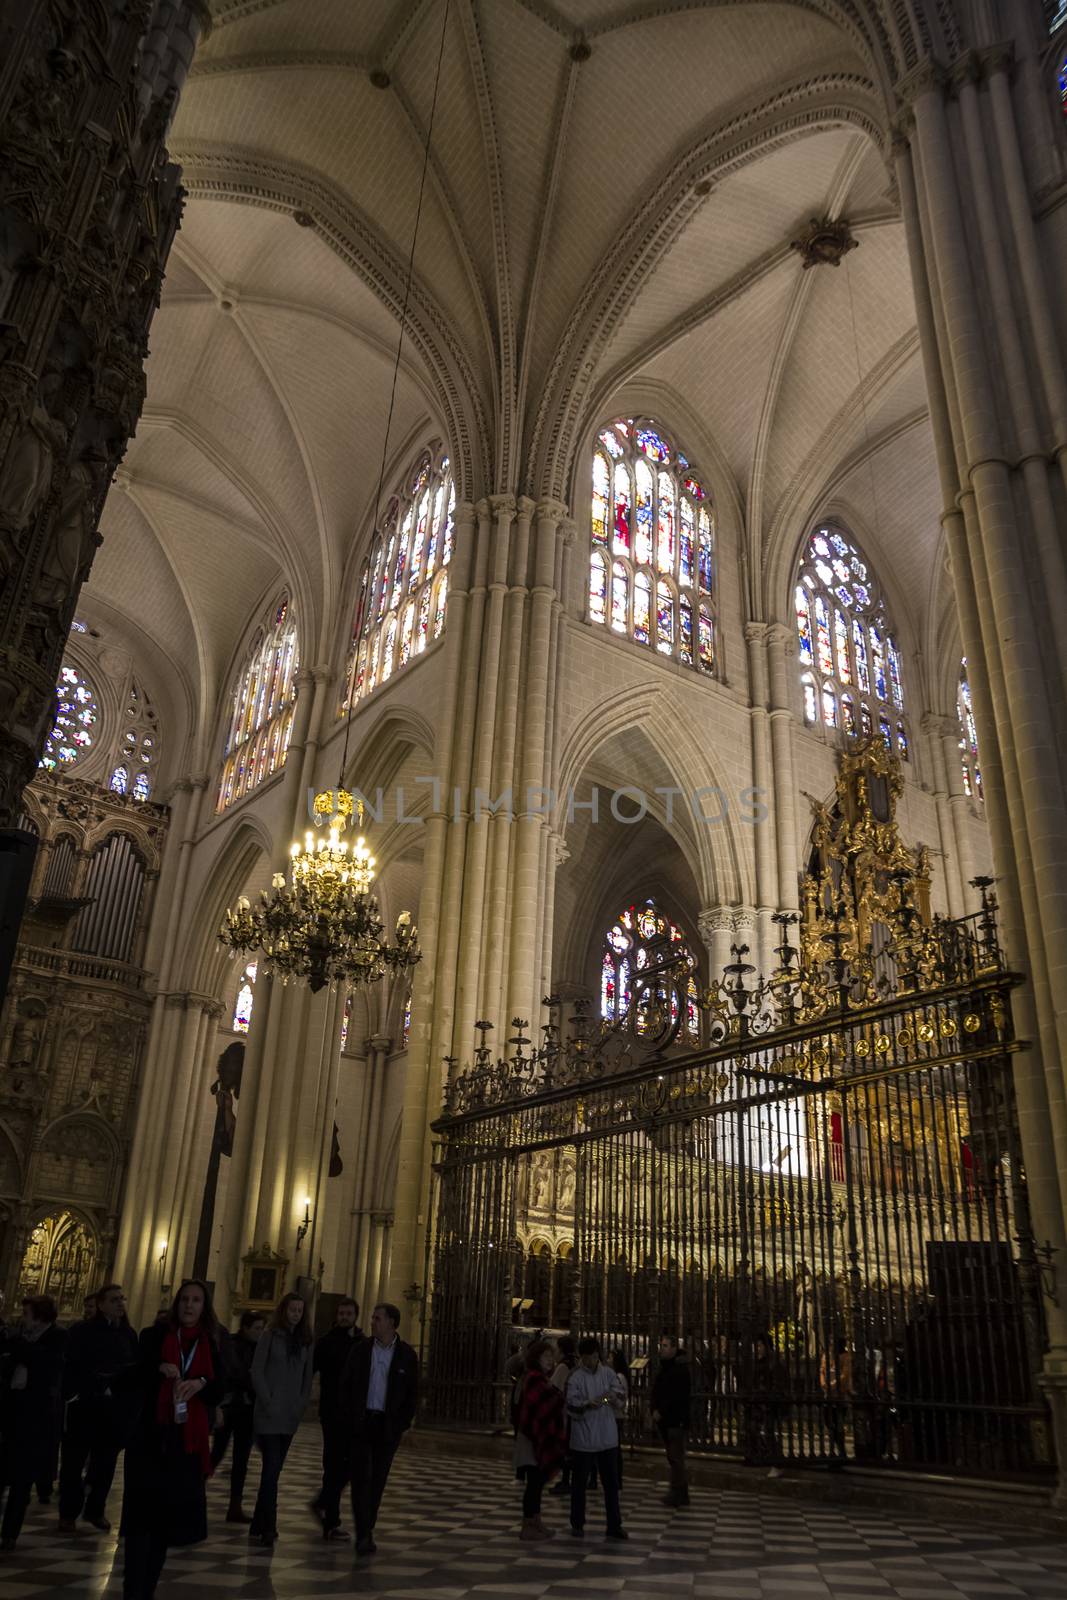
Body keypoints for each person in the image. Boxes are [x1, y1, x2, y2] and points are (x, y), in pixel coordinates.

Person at [119, 1279, 224, 1600]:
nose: (190, 1306)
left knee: (162, 1529)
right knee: (140, 1527)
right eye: (185, 1300)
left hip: (182, 1449)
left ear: (204, 1308)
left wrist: (201, 1384)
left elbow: (220, 1386)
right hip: (149, 1442)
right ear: (177, 1304)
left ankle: (146, 1590)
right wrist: (158, 1368)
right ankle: (132, 1592)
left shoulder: (210, 1344)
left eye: (196, 1301)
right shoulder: (155, 1337)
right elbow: (133, 1375)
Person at [338, 1301, 418, 1557]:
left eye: (378, 1318)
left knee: (378, 1480)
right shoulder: (360, 1350)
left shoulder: (407, 1354)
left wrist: (402, 1423)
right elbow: (347, 1385)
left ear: (392, 1323)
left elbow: (412, 1393)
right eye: (372, 1318)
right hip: (362, 1422)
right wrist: (351, 1417)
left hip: (387, 1425)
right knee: (361, 1479)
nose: (372, 1322)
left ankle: (367, 1528)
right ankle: (363, 1534)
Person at [59, 1283, 139, 1534]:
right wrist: (84, 1389)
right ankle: (68, 1513)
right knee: (74, 1463)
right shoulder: (82, 1331)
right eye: (114, 1299)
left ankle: (95, 1509)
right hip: (85, 1405)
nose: (120, 1303)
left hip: (112, 1409)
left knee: (104, 1465)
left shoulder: (128, 1334)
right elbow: (72, 1365)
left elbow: (132, 1368)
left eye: (122, 1299)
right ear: (101, 1303)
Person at [0, 1295, 66, 1550]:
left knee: (21, 1482)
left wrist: (18, 1346)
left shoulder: (57, 1337)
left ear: (39, 1316)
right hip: (11, 1416)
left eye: (26, 1314)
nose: (22, 1318)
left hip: (36, 1421)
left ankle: (9, 1535)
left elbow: (45, 1363)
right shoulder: (20, 1340)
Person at [249, 1292, 313, 1547]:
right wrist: (267, 1399)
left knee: (273, 1471)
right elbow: (256, 1370)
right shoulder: (269, 1335)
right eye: (292, 1309)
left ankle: (257, 1522)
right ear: (283, 1310)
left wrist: (301, 1403)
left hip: (290, 1415)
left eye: (300, 1310)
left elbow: (307, 1377)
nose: (295, 1314)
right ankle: (269, 1526)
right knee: (271, 1470)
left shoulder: (307, 1340)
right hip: (268, 1413)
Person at [564, 1337, 626, 1540]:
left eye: (590, 1357)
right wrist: (586, 1404)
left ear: (596, 1355)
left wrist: (607, 1398)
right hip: (583, 1439)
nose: (587, 1362)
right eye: (583, 1358)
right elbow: (570, 1404)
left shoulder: (608, 1373)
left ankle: (614, 1525)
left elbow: (620, 1396)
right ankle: (577, 1523)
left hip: (607, 1437)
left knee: (611, 1484)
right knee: (579, 1484)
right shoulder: (575, 1376)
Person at [312, 1296, 362, 1539]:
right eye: (341, 1313)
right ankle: (331, 1522)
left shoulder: (364, 1343)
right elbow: (311, 1370)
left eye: (348, 1313)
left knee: (354, 1463)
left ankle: (323, 1501)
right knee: (332, 1465)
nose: (344, 1317)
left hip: (356, 1414)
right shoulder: (325, 1343)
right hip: (332, 1412)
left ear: (355, 1315)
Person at [210, 1310, 265, 1523]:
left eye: (262, 1329)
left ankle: (235, 1506)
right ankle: (193, 1493)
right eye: (257, 1329)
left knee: (241, 1460)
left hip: (248, 1411)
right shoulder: (231, 1344)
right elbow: (234, 1373)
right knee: (217, 1453)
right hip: (230, 1407)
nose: (261, 1333)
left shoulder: (260, 1348)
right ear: (246, 1328)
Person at [513, 1338, 566, 1541]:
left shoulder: (540, 1378)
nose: (550, 1360)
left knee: (537, 1484)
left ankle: (536, 1522)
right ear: (536, 1358)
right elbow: (538, 1408)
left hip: (537, 1438)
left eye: (552, 1356)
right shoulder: (534, 1378)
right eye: (546, 1356)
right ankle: (528, 1525)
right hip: (532, 1440)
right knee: (533, 1484)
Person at [651, 1333, 691, 1507]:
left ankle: (679, 1492)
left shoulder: (679, 1369)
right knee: (673, 1457)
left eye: (666, 1346)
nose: (662, 1349)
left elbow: (675, 1395)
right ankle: (679, 1491)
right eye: (662, 1345)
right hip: (667, 1420)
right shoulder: (666, 1366)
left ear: (674, 1348)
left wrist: (661, 1410)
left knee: (676, 1457)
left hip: (675, 1420)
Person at [547, 1335, 576, 1497]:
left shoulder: (562, 1367)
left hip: (563, 1413)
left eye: (556, 1349)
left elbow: (553, 1388)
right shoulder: (574, 1364)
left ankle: (565, 1480)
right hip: (572, 1411)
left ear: (562, 1350)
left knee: (564, 1449)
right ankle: (567, 1479)